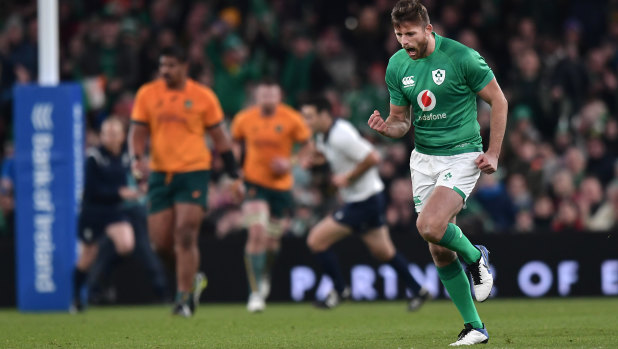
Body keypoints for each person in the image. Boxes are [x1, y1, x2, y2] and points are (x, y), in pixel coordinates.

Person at [367, 0, 507, 346]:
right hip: (424, 160)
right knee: (439, 248)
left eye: (410, 33)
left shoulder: (462, 57)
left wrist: (493, 152)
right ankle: (475, 327)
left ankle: (476, 256)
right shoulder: (397, 65)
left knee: (429, 225)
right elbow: (402, 121)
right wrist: (388, 129)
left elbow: (499, 101)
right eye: (399, 34)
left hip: (462, 156)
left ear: (428, 29)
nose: (404, 41)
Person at [129, 46, 243, 317]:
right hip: (159, 173)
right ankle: (193, 279)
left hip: (194, 172)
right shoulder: (148, 94)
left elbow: (220, 138)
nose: (165, 71)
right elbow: (138, 131)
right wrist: (136, 159)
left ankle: (183, 299)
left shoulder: (203, 97)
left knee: (185, 233)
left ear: (184, 66)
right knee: (160, 243)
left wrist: (233, 174)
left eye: (171, 65)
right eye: (162, 65)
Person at [300, 96, 430, 311]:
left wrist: (347, 178)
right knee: (384, 252)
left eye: (309, 116)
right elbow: (328, 154)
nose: (306, 121)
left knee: (316, 241)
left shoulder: (341, 135)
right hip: (368, 199)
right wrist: (315, 159)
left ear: (324, 115)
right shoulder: (324, 135)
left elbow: (373, 157)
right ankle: (418, 289)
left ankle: (340, 290)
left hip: (364, 201)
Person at [230, 79, 311, 312]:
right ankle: (254, 293)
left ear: (279, 96)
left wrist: (290, 162)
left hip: (281, 187)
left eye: (271, 95)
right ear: (257, 97)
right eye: (263, 95)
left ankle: (263, 273)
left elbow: (308, 147)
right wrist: (235, 174)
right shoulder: (244, 119)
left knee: (272, 243)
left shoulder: (291, 119)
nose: (267, 99)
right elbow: (235, 143)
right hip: (254, 182)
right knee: (256, 232)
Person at [72, 118, 139, 312]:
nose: (109, 137)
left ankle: (103, 276)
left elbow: (132, 178)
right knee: (87, 257)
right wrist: (119, 192)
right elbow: (92, 190)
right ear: (101, 136)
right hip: (93, 210)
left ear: (122, 136)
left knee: (126, 245)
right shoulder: (94, 157)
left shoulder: (127, 156)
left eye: (114, 133)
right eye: (106, 133)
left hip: (114, 211)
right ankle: (76, 298)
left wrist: (138, 188)